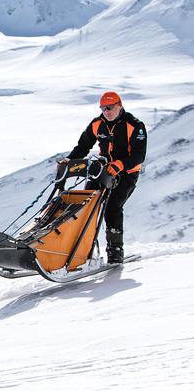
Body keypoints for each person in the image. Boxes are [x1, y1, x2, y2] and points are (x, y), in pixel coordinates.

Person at [65, 91, 147, 263]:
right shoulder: (97, 124)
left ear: (119, 106)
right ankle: (82, 250)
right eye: (103, 108)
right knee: (86, 204)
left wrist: (120, 164)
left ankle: (115, 252)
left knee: (112, 207)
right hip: (104, 170)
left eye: (109, 107)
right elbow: (83, 146)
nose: (106, 112)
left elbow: (139, 155)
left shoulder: (135, 125)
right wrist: (69, 160)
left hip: (127, 173)